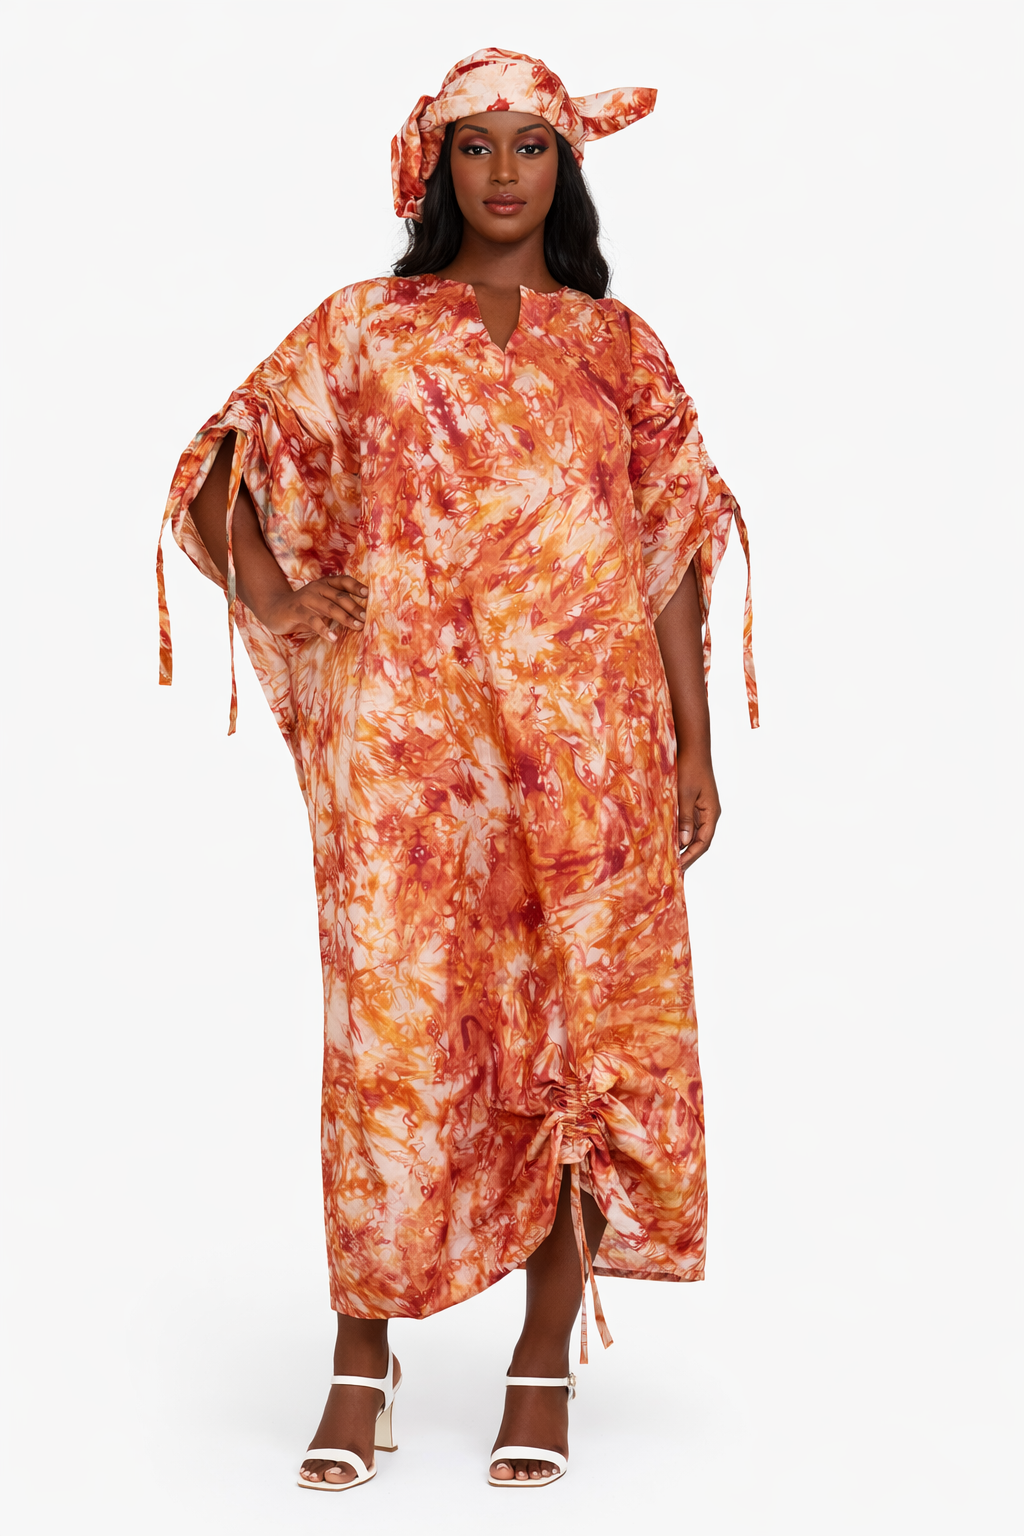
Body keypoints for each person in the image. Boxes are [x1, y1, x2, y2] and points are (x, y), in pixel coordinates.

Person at [157, 46, 757, 1492]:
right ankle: (361, 1357)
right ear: (435, 166)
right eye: (474, 145)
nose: (502, 172)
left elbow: (670, 548)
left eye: (529, 144)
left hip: (591, 747)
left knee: (584, 1030)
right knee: (394, 1041)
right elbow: (223, 459)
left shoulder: (620, 348)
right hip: (413, 763)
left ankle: (544, 1352)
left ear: (566, 166)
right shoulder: (366, 328)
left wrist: (695, 739)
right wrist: (276, 596)